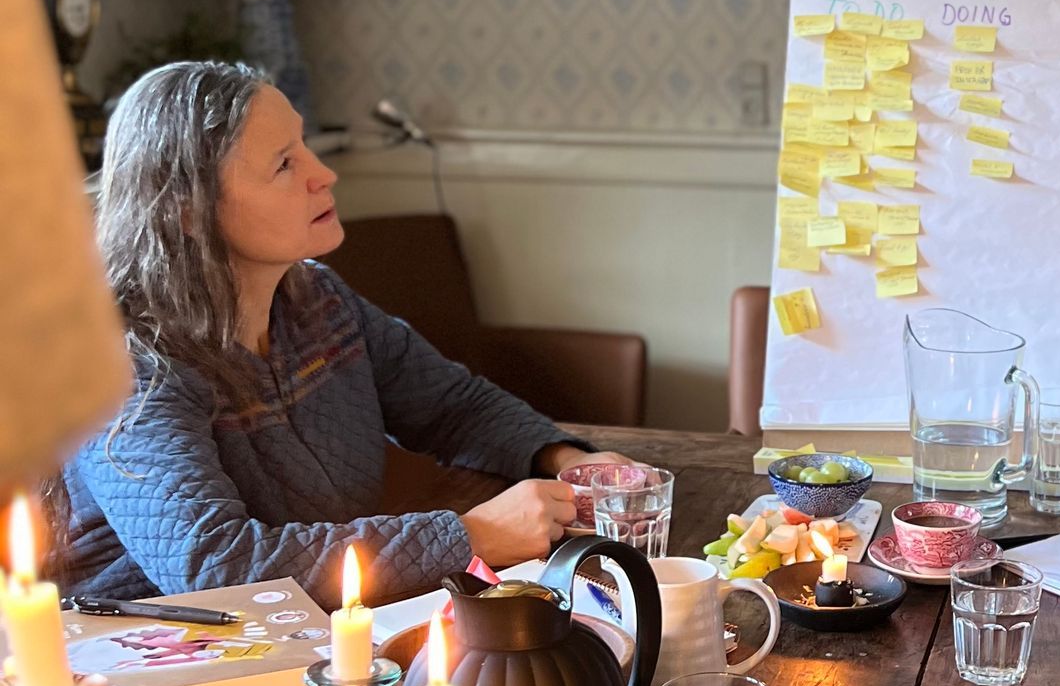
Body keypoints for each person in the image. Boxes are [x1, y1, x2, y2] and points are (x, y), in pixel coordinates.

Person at [58, 62, 633, 610]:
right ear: (188, 212)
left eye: (303, 145)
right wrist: (472, 535)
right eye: (284, 164)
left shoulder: (319, 301)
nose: (323, 173)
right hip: (152, 670)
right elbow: (217, 564)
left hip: (317, 629)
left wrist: (565, 461)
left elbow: (450, 406)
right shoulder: (128, 367)